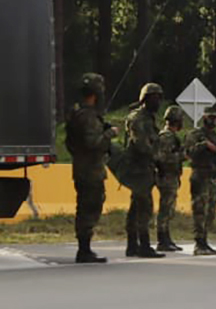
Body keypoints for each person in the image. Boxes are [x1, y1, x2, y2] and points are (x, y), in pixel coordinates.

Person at [64, 73, 117, 264]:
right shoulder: (89, 117)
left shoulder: (76, 114)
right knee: (91, 207)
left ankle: (84, 248)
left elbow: (69, 143)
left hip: (80, 167)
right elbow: (93, 143)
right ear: (96, 93)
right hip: (91, 170)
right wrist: (110, 133)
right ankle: (84, 250)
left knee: (84, 206)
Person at [122, 83, 166, 258]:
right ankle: (143, 245)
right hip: (138, 168)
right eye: (154, 98)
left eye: (159, 98)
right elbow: (141, 145)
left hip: (145, 167)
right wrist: (157, 158)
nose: (158, 102)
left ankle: (132, 245)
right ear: (145, 99)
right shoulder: (138, 118)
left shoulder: (148, 117)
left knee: (136, 206)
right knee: (145, 207)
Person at [185, 105, 216, 256]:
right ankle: (199, 243)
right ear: (204, 118)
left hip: (213, 178)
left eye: (215, 118)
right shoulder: (195, 134)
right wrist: (204, 145)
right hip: (200, 176)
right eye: (210, 117)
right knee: (200, 210)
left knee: (210, 212)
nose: (213, 120)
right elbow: (189, 152)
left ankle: (205, 241)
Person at [154, 105, 187, 252]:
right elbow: (163, 157)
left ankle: (166, 238)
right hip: (166, 176)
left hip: (171, 176)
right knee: (165, 208)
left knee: (169, 209)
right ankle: (162, 239)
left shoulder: (170, 136)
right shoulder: (166, 137)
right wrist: (182, 156)